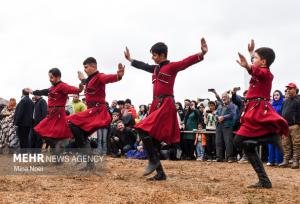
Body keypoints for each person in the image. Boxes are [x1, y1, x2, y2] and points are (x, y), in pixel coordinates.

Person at [124, 38, 208, 180]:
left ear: (162, 55)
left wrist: (201, 53)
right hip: (156, 105)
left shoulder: (172, 67)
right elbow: (144, 66)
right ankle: (160, 173)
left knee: (141, 128)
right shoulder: (156, 68)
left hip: (166, 104)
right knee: (154, 140)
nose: (152, 57)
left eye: (154, 55)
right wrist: (131, 60)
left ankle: (153, 161)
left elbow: (185, 62)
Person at [234, 40, 288, 188]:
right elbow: (257, 69)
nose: (253, 60)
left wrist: (248, 66)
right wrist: (252, 55)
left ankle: (271, 137)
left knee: (238, 142)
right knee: (246, 146)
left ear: (263, 61)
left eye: (255, 58)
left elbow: (258, 71)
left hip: (258, 110)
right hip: (252, 109)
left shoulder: (267, 74)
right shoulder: (261, 71)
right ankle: (264, 180)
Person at [67, 57, 125, 170]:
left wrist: (119, 76)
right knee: (80, 134)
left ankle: (88, 160)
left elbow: (108, 78)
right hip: (92, 112)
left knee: (72, 122)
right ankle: (89, 163)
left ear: (93, 66)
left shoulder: (99, 76)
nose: (85, 70)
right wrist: (82, 80)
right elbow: (87, 83)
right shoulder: (90, 79)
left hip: (98, 112)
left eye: (86, 67)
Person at [26, 68, 83, 157]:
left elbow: (73, 89)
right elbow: (44, 91)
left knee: (56, 136)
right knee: (39, 130)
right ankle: (56, 148)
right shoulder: (52, 88)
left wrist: (80, 88)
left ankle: (58, 155)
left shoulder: (63, 86)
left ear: (58, 77)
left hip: (58, 114)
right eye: (49, 77)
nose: (50, 79)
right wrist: (33, 92)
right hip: (51, 114)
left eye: (51, 77)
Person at [280, 83, 300, 169]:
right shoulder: (285, 102)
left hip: (295, 126)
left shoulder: (298, 100)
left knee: (296, 144)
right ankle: (286, 160)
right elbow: (282, 113)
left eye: (290, 88)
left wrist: (298, 123)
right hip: (285, 126)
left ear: (295, 89)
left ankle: (295, 161)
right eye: (287, 88)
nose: (288, 90)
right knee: (285, 144)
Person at [215, 92, 236, 162]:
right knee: (218, 142)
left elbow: (233, 114)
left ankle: (229, 157)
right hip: (219, 125)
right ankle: (219, 157)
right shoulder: (220, 106)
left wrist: (223, 117)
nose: (223, 98)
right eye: (222, 96)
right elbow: (216, 113)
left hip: (227, 125)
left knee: (228, 142)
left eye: (225, 96)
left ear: (228, 97)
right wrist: (217, 116)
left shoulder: (232, 105)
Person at [267, 90, 284, 166]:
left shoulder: (283, 104)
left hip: (279, 126)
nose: (276, 96)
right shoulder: (271, 105)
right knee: (270, 143)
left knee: (278, 143)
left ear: (280, 96)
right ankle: (271, 160)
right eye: (274, 95)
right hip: (271, 126)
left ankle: (279, 160)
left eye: (277, 95)